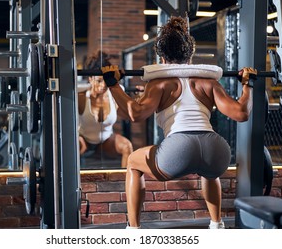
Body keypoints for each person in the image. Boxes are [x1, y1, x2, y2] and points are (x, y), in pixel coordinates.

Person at [101, 16, 257, 229]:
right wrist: (249, 85)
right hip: (216, 149)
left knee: (133, 163)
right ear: (190, 56)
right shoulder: (209, 82)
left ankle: (133, 230)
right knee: (210, 174)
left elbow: (135, 113)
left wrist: (113, 85)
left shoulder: (158, 83)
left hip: (178, 149)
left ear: (162, 57)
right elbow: (241, 113)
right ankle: (217, 224)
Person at [78, 50, 133, 168]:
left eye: (106, 80)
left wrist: (138, 97)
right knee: (73, 147)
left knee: (126, 146)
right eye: (99, 81)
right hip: (85, 140)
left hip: (106, 141)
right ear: (90, 79)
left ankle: (125, 183)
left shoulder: (115, 92)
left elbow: (127, 115)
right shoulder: (81, 96)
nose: (103, 85)